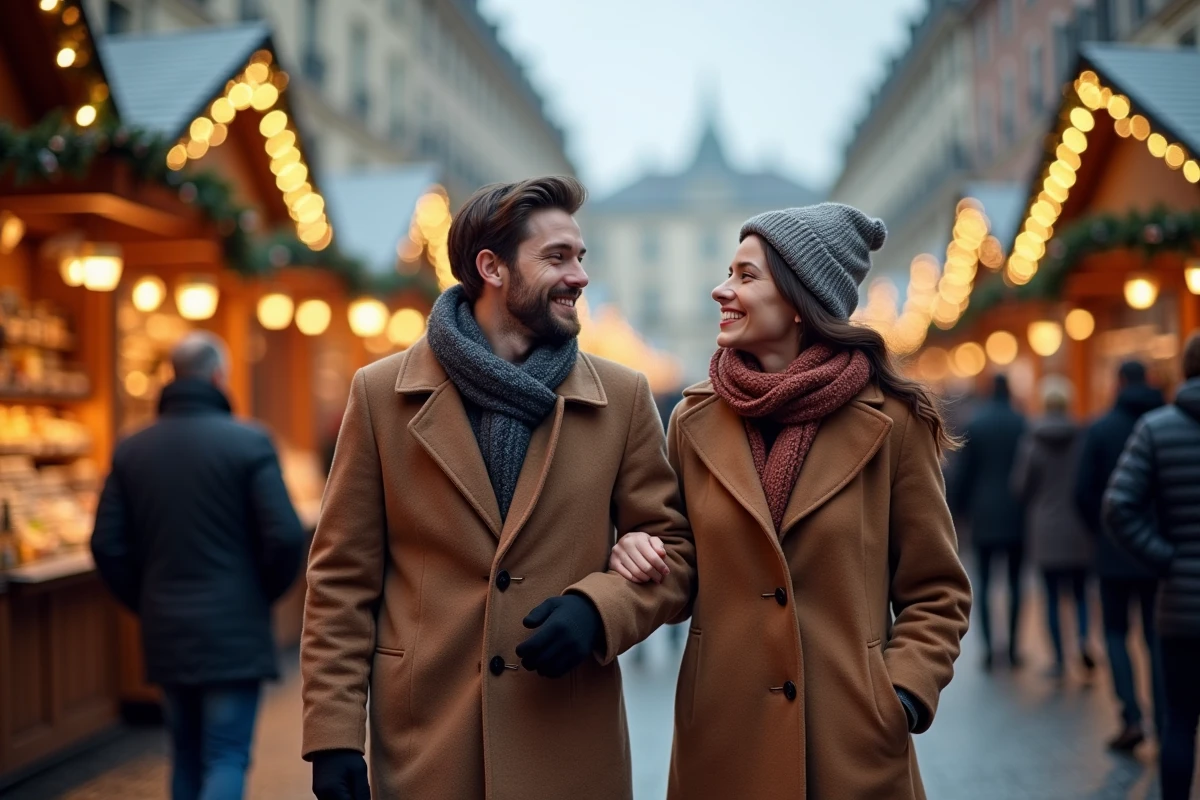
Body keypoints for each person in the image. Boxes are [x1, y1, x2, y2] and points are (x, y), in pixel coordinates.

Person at [301, 176, 694, 800]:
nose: (579, 276)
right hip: (427, 742)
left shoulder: (623, 397)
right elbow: (341, 580)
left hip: (566, 743)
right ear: (492, 268)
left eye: (580, 257)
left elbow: (676, 555)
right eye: (556, 258)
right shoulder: (379, 395)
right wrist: (333, 735)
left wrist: (600, 610)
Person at [609, 204, 971, 799]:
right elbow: (680, 568)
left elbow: (937, 591)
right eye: (729, 272)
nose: (721, 290)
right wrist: (640, 553)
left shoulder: (894, 421)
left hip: (851, 746)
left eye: (746, 276)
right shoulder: (692, 420)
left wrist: (900, 694)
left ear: (801, 301)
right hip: (724, 742)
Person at [90, 332, 305, 800]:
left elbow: (106, 544)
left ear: (173, 376)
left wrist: (146, 598)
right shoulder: (249, 443)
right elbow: (287, 535)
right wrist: (257, 594)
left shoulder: (131, 449)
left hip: (166, 626)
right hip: (234, 627)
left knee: (185, 754)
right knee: (226, 754)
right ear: (218, 376)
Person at [1105, 331, 1200, 800]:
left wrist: (1165, 557)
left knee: (1179, 722)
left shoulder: (1158, 429)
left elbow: (1118, 506)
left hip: (1181, 605)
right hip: (1177, 598)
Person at [1074, 360, 1165, 750]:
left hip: (1113, 551)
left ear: (1119, 381)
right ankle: (1166, 719)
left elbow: (1082, 491)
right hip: (1160, 554)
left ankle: (1131, 715)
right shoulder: (1168, 425)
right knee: (1155, 637)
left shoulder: (1100, 428)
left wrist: (1102, 530)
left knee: (1115, 633)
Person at [1010, 376, 1096, 679]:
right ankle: (1084, 640)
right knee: (1081, 594)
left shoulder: (1032, 440)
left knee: (1051, 597)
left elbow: (1020, 487)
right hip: (1078, 528)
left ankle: (1059, 660)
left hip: (1045, 529)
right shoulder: (1083, 437)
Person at [952, 373, 1027, 669]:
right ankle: (1012, 647)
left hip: (983, 513)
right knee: (1015, 583)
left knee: (983, 583)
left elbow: (963, 474)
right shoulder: (1022, 423)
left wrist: (957, 511)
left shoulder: (976, 424)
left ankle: (987, 648)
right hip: (1015, 512)